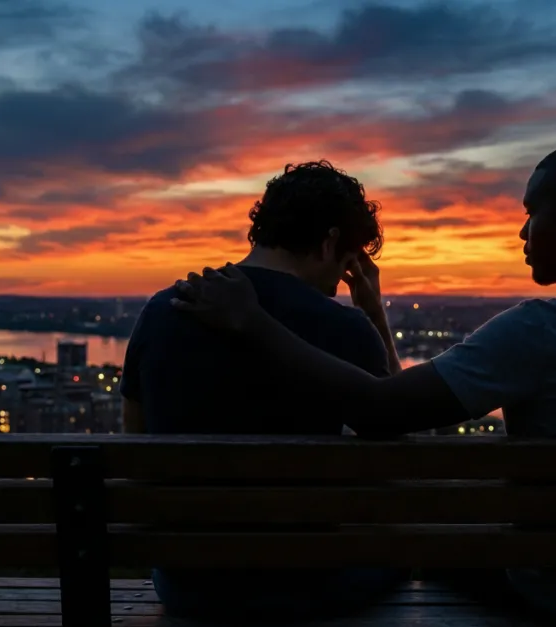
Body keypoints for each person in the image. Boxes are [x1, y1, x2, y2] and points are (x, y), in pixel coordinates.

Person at [171, 140, 556, 623]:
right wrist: (376, 316)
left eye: (532, 213)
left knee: (425, 548)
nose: (521, 231)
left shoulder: (543, 328)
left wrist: (253, 323)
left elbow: (378, 410)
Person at [119, 160, 407, 621]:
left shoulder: (163, 310)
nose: (337, 287)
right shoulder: (346, 329)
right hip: (311, 585)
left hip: (189, 585)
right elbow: (396, 449)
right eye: (345, 265)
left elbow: (135, 451)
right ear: (331, 242)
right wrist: (374, 316)